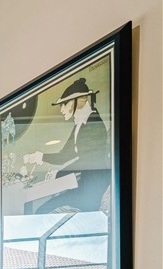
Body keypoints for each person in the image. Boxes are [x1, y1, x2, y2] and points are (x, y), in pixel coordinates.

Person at [23, 77, 110, 213]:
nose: (62, 109)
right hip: (85, 185)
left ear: (77, 102)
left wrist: (60, 173)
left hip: (91, 189)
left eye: (64, 104)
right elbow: (64, 155)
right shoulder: (79, 125)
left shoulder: (93, 125)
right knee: (42, 210)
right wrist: (40, 157)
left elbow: (88, 161)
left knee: (42, 211)